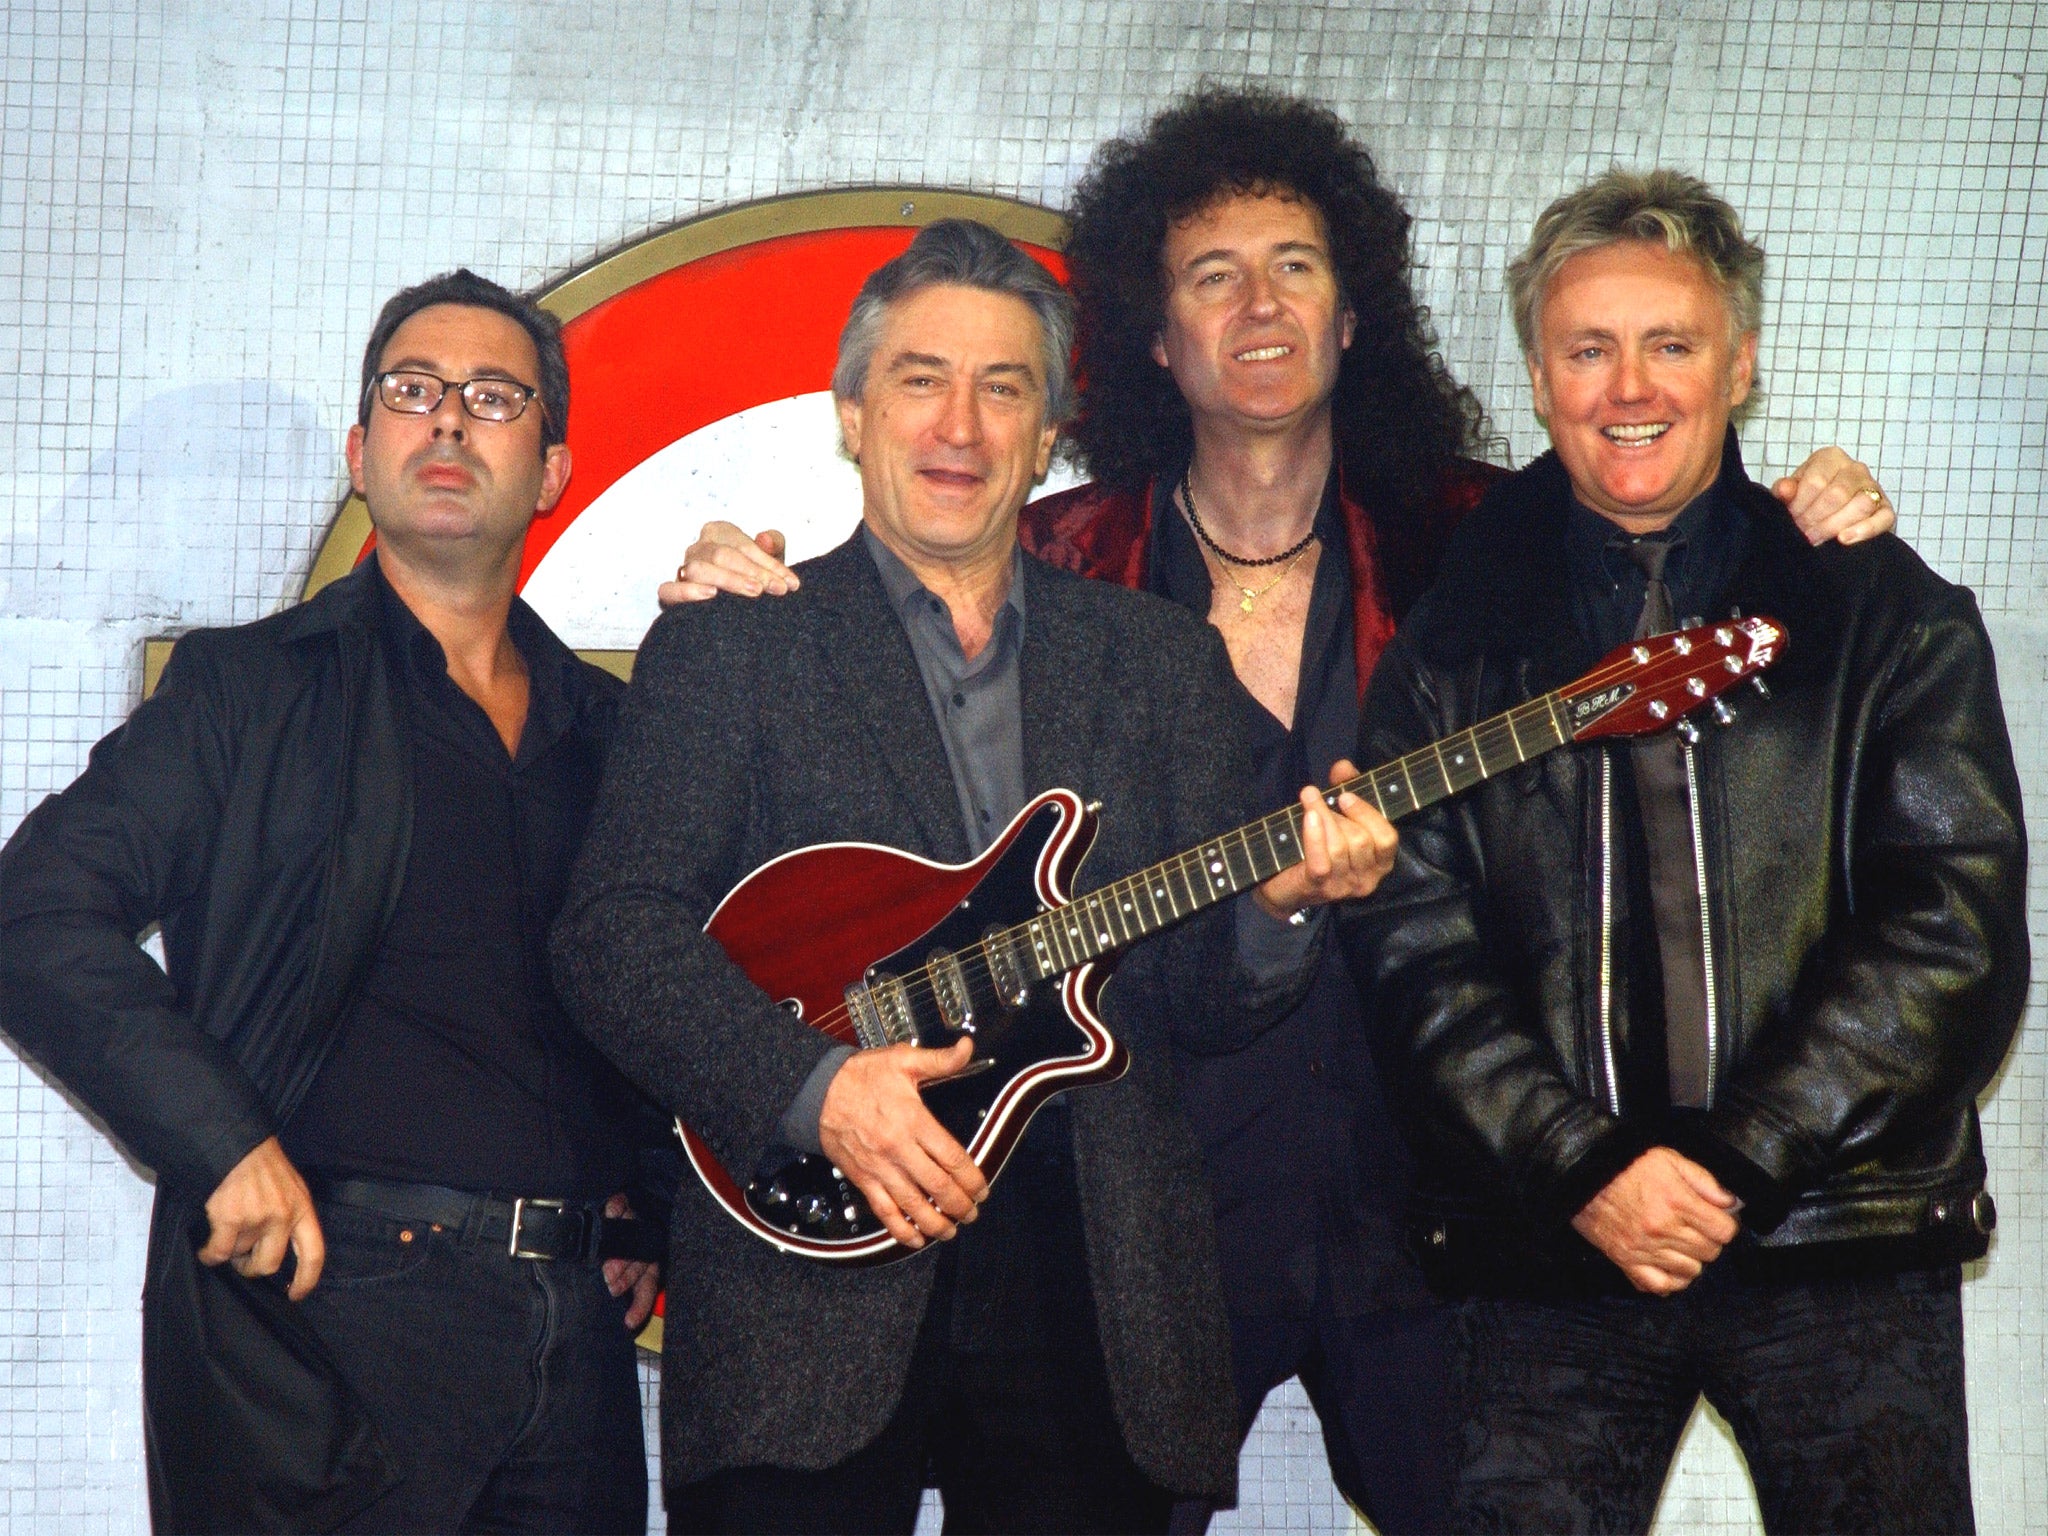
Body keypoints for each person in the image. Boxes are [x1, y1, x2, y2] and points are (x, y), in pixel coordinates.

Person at [664, 87, 1897, 1534]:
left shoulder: (1485, 539)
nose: (1259, 305)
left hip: (1437, 1185)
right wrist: (733, 574)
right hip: (1159, 1208)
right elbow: (863, 791)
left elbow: (1662, 496)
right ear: (1155, 334)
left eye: (1296, 266)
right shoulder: (1058, 563)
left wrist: (1801, 507)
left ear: (1354, 310)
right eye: (1211, 274)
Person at [551, 218, 1399, 1535]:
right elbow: (614, 937)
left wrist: (1282, 910)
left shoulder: (1162, 663)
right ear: (849, 413)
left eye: (1004, 387)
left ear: (1049, 431)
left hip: (1096, 1282)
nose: (960, 422)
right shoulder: (732, 649)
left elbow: (1203, 1003)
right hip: (800, 1270)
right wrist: (813, 1093)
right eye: (919, 378)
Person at [1342, 168, 2027, 1534]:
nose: (1628, 386)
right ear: (1538, 377)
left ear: (1742, 364)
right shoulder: (1448, 634)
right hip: (1551, 1253)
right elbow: (1413, 948)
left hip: (1839, 1238)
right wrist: (1586, 1170)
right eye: (1588, 349)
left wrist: (1738, 1163)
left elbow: (1951, 926)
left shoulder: (1886, 610)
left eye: (1671, 343)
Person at [0, 269, 665, 1534]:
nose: (449, 422)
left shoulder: (613, 732)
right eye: (412, 393)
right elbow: (35, 914)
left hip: (571, 1353)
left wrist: (637, 1195)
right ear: (363, 454)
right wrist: (221, 1144)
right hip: (328, 1326)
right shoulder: (247, 693)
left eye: (492, 396)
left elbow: (631, 993)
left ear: (555, 466)